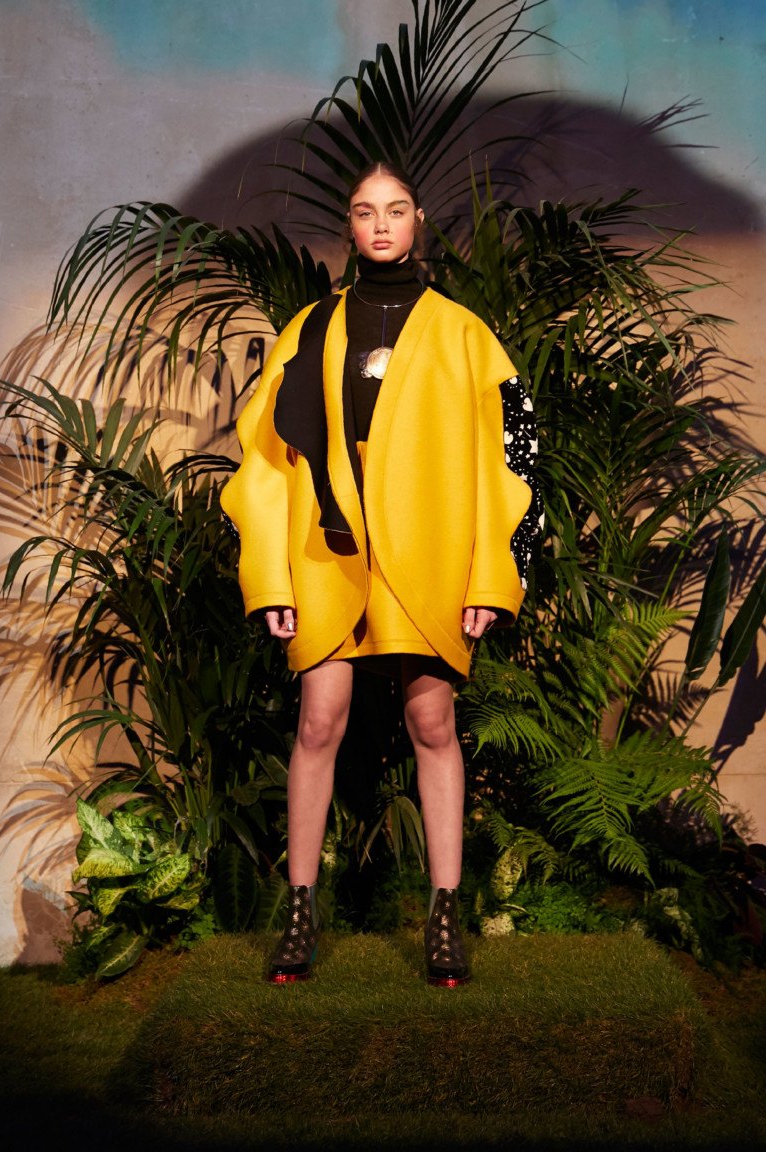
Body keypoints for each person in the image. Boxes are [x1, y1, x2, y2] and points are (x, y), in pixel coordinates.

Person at [221, 161, 542, 986]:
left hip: (429, 551)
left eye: (396, 210)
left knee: (432, 723)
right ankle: (300, 912)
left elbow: (510, 461)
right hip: (328, 548)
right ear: (350, 225)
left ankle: (444, 916)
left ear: (418, 220)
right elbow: (266, 464)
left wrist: (491, 578)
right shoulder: (309, 328)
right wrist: (271, 580)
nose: (382, 225)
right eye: (366, 212)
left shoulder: (464, 334)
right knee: (318, 723)